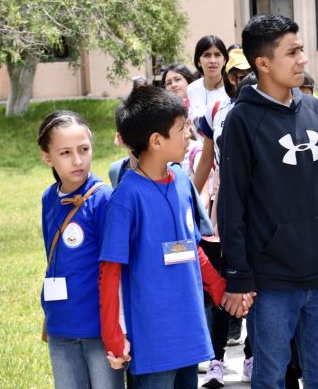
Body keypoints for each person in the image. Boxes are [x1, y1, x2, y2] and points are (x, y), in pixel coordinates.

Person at [217, 14, 318, 388]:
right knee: (272, 379)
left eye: (302, 49)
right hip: (272, 282)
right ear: (263, 63)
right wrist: (238, 275)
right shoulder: (242, 120)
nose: (303, 59)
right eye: (293, 52)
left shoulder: (314, 109)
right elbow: (232, 205)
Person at [98, 85, 244, 389]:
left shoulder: (180, 180)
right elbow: (109, 270)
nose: (189, 134)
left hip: (188, 329)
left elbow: (190, 246)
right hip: (153, 339)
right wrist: (114, 335)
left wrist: (218, 287)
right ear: (156, 141)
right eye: (182, 127)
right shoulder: (126, 197)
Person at [36, 110, 125, 389]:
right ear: (47, 156)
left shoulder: (103, 199)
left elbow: (115, 268)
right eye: (65, 153)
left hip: (99, 329)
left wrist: (118, 330)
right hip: (61, 326)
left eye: (83, 149)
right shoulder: (49, 198)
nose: (77, 160)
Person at [192, 50, 254, 388]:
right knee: (218, 288)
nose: (241, 79)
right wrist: (187, 203)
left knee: (255, 289)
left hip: (257, 216)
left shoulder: (266, 110)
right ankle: (216, 360)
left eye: (246, 72)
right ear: (229, 78)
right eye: (236, 74)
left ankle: (251, 354)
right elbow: (204, 161)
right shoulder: (217, 110)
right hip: (221, 213)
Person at [187, 35, 230, 127]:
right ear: (198, 61)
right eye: (206, 55)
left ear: (225, 60)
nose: (213, 60)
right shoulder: (192, 89)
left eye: (217, 55)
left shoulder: (232, 90)